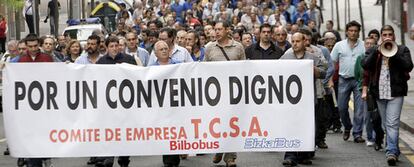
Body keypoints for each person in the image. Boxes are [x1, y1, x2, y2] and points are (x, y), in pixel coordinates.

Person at [362, 25, 413, 166]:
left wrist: (394, 53)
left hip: (395, 93)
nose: (387, 37)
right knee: (386, 125)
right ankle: (394, 149)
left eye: (390, 34)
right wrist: (376, 52)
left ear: (394, 36)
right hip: (379, 93)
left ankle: (390, 152)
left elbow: (409, 66)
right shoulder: (373, 50)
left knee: (392, 124)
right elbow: (365, 65)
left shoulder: (402, 50)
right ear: (380, 37)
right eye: (384, 35)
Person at [281, 31, 326, 167]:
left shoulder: (312, 57)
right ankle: (290, 155)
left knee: (307, 127)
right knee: (291, 126)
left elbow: (323, 72)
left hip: (308, 99)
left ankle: (304, 155)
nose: (295, 44)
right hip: (291, 100)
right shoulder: (286, 57)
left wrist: (313, 69)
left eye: (298, 41)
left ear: (304, 41)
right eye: (293, 41)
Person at [204, 21, 246, 167]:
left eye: (219, 29)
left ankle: (230, 157)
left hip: (234, 92)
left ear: (227, 30)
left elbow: (244, 68)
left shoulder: (238, 47)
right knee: (219, 123)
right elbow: (204, 70)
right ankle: (219, 148)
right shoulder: (209, 48)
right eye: (215, 29)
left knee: (232, 123)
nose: (216, 32)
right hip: (215, 94)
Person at [95, 36, 137, 167]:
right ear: (106, 48)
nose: (114, 49)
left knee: (124, 133)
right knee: (110, 131)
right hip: (108, 105)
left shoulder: (128, 59)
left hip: (125, 104)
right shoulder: (101, 62)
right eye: (111, 46)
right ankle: (109, 157)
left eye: (116, 46)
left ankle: (124, 159)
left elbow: (137, 77)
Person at [18, 34, 54, 167]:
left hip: (44, 104)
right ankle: (33, 160)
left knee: (43, 133)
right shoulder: (21, 60)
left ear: (39, 45)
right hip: (27, 105)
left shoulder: (47, 58)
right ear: (26, 46)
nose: (33, 49)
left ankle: (43, 156)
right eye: (30, 46)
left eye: (35, 46)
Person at [331, 20, 366, 143]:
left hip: (359, 81)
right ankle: (347, 126)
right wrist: (330, 79)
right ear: (346, 32)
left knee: (359, 109)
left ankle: (357, 134)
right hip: (343, 80)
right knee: (341, 107)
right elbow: (332, 63)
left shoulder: (364, 45)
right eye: (351, 31)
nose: (353, 33)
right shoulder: (339, 45)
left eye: (356, 31)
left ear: (359, 32)